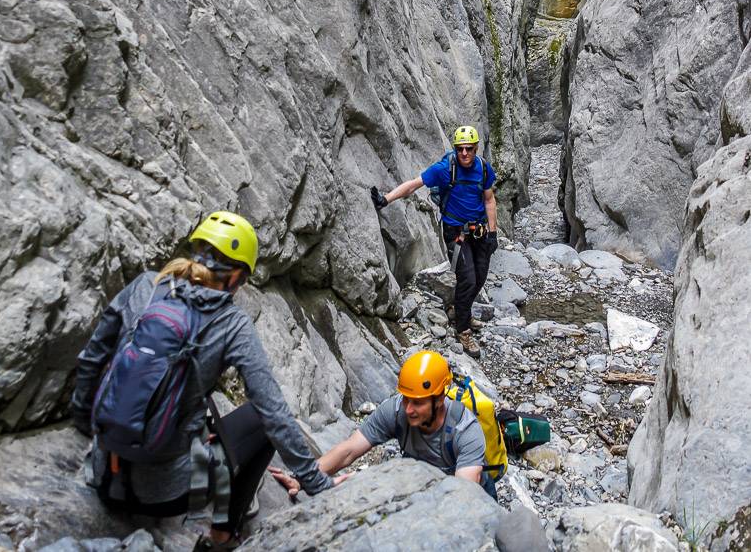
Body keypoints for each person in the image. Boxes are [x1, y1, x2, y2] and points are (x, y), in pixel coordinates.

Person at [71, 210, 344, 550]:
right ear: (235, 278)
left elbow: (92, 358)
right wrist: (319, 485)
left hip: (102, 475)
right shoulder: (230, 323)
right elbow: (274, 415)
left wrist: (87, 425)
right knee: (258, 420)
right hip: (169, 496)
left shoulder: (146, 286)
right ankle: (222, 537)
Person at [269, 350, 499, 500]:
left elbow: (464, 496)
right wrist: (302, 477)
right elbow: (349, 450)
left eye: (417, 403)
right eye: (406, 399)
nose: (408, 409)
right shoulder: (397, 409)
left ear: (439, 399)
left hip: (471, 495)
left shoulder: (465, 430)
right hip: (423, 485)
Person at [370, 125, 498, 357]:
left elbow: (489, 200)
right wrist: (385, 199)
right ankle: (463, 329)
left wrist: (492, 233)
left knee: (479, 278)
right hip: (456, 233)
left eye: (469, 149)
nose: (464, 154)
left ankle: (460, 310)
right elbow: (414, 184)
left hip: (479, 232)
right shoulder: (445, 169)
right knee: (467, 278)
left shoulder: (484, 169)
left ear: (476, 148)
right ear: (456, 149)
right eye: (460, 149)